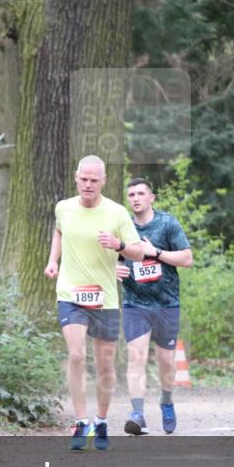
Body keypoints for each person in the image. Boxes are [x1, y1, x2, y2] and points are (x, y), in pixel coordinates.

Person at [45, 156, 143, 450]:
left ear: (103, 181)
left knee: (105, 364)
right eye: (84, 179)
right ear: (76, 178)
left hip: (105, 299)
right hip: (70, 294)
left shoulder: (117, 213)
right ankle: (80, 421)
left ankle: (100, 421)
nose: (88, 184)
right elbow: (60, 230)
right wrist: (53, 261)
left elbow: (138, 252)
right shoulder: (64, 207)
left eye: (94, 180)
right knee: (76, 355)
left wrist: (119, 246)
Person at [115, 178, 192, 435]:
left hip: (166, 304)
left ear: (152, 198)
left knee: (166, 361)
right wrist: (113, 268)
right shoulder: (122, 226)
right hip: (135, 303)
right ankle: (137, 414)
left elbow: (187, 258)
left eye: (140, 194)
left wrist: (155, 252)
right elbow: (107, 258)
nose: (135, 198)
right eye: (131, 194)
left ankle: (167, 401)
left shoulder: (168, 223)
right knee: (136, 357)